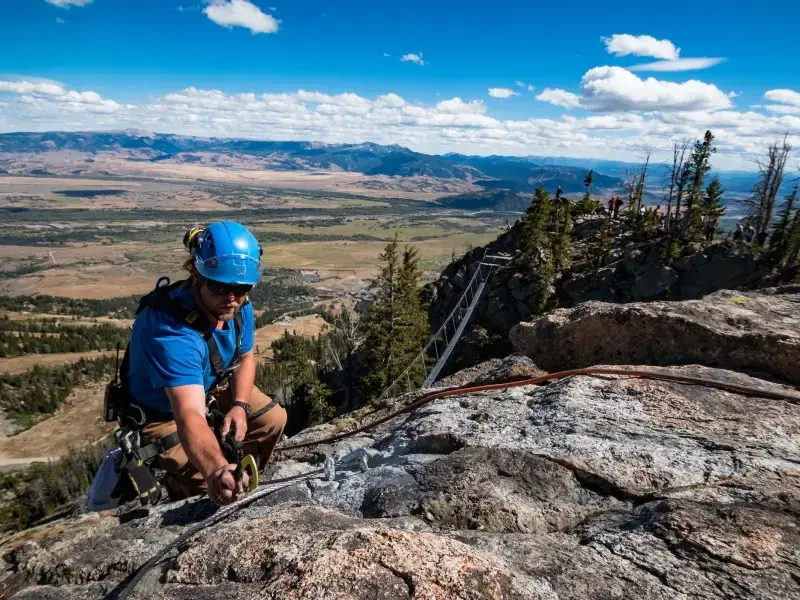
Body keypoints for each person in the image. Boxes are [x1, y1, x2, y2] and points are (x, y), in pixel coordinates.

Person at [125, 222, 287, 506]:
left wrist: (239, 405)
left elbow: (246, 356)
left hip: (211, 387)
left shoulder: (239, 306)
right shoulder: (171, 332)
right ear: (197, 274)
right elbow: (188, 411)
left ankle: (242, 471)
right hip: (163, 413)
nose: (231, 298)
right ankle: (181, 485)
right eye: (220, 286)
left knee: (273, 420)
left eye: (241, 288)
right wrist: (215, 469)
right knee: (208, 486)